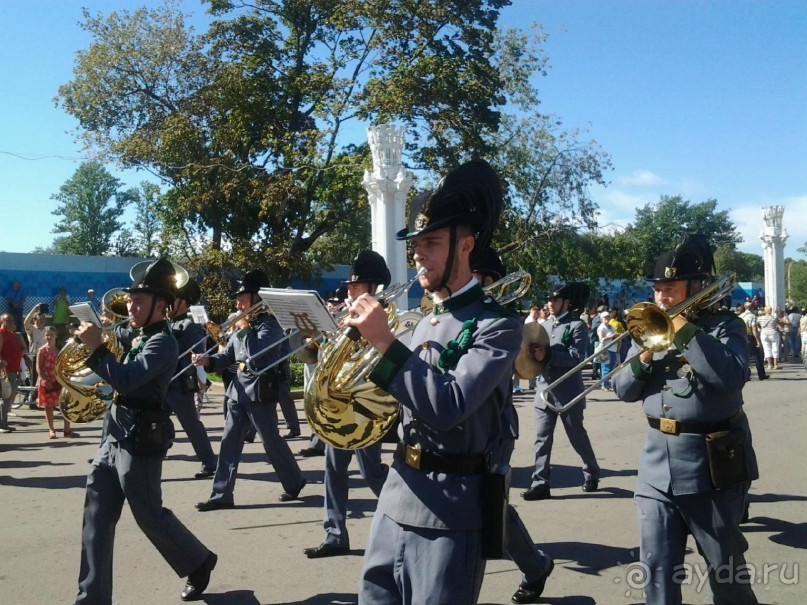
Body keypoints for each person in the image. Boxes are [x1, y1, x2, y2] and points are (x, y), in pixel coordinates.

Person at [345, 159, 522, 605]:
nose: (419, 253)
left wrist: (384, 342)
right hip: (395, 498)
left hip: (451, 511)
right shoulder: (424, 320)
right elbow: (400, 402)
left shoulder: (496, 325)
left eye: (432, 243)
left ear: (466, 246)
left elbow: (449, 405)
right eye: (416, 243)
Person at [612, 234, 759, 605]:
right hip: (655, 469)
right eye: (658, 288)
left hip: (711, 467)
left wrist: (684, 331)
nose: (661, 297)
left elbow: (730, 378)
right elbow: (623, 389)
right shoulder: (647, 325)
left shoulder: (725, 326)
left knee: (726, 575)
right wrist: (645, 355)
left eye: (670, 288)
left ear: (695, 287)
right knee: (657, 572)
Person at [73, 258, 217, 604]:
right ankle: (91, 598)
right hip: (113, 433)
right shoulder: (137, 333)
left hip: (141, 438)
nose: (130, 307)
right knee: (96, 517)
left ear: (161, 306)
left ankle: (198, 560)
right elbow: (116, 338)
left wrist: (96, 346)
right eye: (131, 300)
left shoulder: (163, 342)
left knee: (149, 516)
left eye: (139, 301)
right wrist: (93, 330)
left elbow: (127, 379)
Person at [472, 248, 555, 604]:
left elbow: (526, 366)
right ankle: (536, 565)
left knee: (491, 508)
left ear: (488, 281)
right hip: (462, 426)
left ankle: (535, 566)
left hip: (493, 428)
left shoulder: (504, 323)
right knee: (485, 510)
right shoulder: (459, 314)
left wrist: (540, 353)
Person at [303, 250, 392, 559]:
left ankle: (406, 515)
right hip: (337, 402)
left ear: (372, 286)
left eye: (354, 286)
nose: (348, 291)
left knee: (371, 474)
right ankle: (334, 534)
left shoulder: (383, 315)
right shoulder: (346, 316)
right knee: (334, 469)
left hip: (365, 407)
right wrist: (319, 340)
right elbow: (322, 356)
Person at [194, 269, 306, 511]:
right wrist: (208, 361)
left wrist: (244, 329)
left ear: (256, 297)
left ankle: (294, 481)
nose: (237, 302)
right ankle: (221, 495)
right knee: (229, 443)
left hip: (259, 391)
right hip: (237, 392)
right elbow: (228, 356)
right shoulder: (243, 325)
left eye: (242, 297)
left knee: (270, 441)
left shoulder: (270, 324)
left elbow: (257, 358)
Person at [522, 282, 600, 500]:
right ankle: (540, 483)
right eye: (549, 299)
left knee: (577, 437)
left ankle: (592, 472)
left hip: (568, 393)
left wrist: (547, 356)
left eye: (555, 300)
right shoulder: (543, 325)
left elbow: (577, 358)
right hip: (544, 391)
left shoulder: (577, 326)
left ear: (567, 303)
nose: (550, 303)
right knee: (541, 438)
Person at [166, 279, 218, 479]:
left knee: (190, 424)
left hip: (180, 382)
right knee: (155, 416)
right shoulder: (171, 323)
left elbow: (199, 352)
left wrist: (200, 379)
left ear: (184, 303)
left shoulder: (188, 325)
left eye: (174, 299)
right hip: (165, 380)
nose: (169, 303)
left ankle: (209, 461)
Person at [37, 326, 77, 438]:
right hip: (48, 381)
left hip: (59, 380)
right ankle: (51, 430)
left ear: (56, 336)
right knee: (49, 407)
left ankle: (67, 429)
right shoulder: (42, 350)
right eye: (47, 335)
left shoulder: (59, 350)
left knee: (65, 404)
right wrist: (44, 380)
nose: (49, 337)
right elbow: (39, 368)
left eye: (51, 334)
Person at [0, 313, 24, 433]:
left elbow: (19, 351)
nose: (10, 323)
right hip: (5, 371)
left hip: (13, 371)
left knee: (8, 398)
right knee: (4, 398)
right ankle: (2, 425)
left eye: (11, 320)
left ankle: (4, 423)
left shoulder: (13, 335)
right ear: (2, 322)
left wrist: (18, 368)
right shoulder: (1, 334)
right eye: (7, 320)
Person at [23, 303, 48, 408]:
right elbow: (25, 322)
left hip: (45, 357)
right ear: (35, 319)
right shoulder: (32, 329)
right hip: (34, 357)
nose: (42, 320)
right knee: (35, 380)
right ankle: (32, 402)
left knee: (45, 380)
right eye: (40, 318)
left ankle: (45, 400)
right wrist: (34, 309)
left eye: (43, 318)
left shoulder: (47, 330)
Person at [739, 302, 768, 380]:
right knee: (757, 356)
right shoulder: (752, 316)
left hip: (742, 337)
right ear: (752, 307)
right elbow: (754, 329)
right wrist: (758, 341)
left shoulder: (740, 316)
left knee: (745, 357)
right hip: (750, 337)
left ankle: (746, 375)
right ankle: (761, 375)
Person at [757, 305, 779, 370]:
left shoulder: (760, 318)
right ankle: (775, 364)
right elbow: (777, 324)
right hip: (773, 333)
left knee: (767, 349)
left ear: (765, 311)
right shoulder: (774, 318)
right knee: (775, 348)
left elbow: (757, 324)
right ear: (771, 311)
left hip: (764, 333)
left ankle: (769, 365)